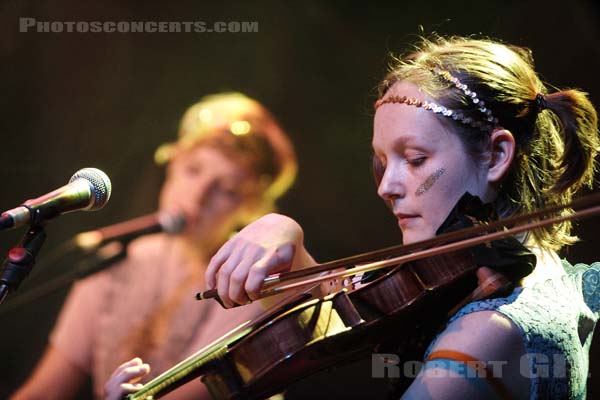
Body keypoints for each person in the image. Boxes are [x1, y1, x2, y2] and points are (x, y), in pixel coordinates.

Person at [203, 36, 600, 399]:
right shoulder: (522, 276)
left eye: (414, 160)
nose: (386, 187)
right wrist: (285, 234)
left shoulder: (484, 335)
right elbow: (349, 313)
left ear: (496, 155)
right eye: (381, 163)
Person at [11, 92, 297, 400]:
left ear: (251, 207)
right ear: (172, 164)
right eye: (193, 170)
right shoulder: (113, 260)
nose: (197, 197)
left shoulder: (245, 280)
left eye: (225, 190)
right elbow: (46, 391)